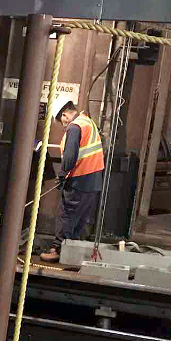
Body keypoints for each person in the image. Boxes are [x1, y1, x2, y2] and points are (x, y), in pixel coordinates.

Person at [39, 97, 105, 263]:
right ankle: (72, 254)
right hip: (93, 180)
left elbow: (69, 156)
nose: (63, 124)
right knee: (81, 219)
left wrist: (62, 175)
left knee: (66, 215)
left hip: (79, 180)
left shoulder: (74, 128)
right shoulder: (88, 122)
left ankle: (57, 249)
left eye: (61, 121)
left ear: (64, 115)